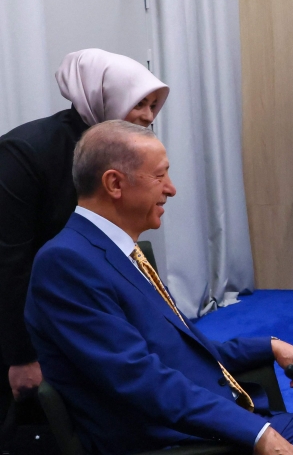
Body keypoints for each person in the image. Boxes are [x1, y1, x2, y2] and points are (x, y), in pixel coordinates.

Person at [24, 121, 293, 455]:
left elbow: (179, 350)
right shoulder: (66, 263)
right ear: (114, 184)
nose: (171, 188)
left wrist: (269, 346)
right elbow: (139, 378)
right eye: (159, 176)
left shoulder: (117, 251)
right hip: (177, 454)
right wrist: (257, 433)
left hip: (218, 426)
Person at [0, 49, 169, 407]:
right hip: (32, 319)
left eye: (153, 105)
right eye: (139, 103)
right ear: (102, 96)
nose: (148, 116)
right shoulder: (24, 152)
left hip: (88, 308)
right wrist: (21, 355)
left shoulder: (124, 152)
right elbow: (10, 261)